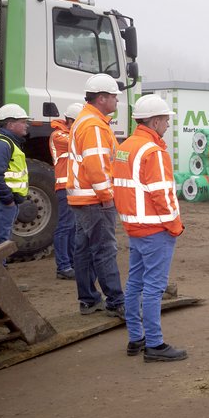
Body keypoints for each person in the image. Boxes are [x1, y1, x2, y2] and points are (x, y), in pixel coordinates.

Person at [114, 94, 188, 362]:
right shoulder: (153, 152)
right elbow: (162, 194)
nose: (168, 125)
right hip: (155, 229)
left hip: (134, 227)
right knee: (154, 287)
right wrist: (175, 226)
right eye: (166, 120)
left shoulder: (126, 147)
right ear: (155, 121)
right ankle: (155, 345)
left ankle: (136, 338)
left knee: (134, 283)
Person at [68, 74, 126, 317]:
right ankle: (116, 302)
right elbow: (96, 164)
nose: (116, 101)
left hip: (82, 198)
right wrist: (107, 196)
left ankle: (89, 299)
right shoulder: (93, 125)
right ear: (102, 98)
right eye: (114, 97)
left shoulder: (86, 120)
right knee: (104, 249)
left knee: (83, 249)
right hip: (94, 199)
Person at [0, 104, 30, 258]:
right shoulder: (1, 144)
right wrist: (8, 200)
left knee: (1, 243)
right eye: (22, 121)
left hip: (1, 202)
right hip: (0, 203)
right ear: (10, 124)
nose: (26, 125)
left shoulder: (6, 142)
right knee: (0, 244)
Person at [48, 102, 82, 279]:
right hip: (65, 187)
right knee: (65, 227)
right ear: (70, 121)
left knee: (73, 227)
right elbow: (79, 144)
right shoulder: (58, 135)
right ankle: (63, 266)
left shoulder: (68, 134)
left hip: (74, 188)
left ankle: (70, 264)